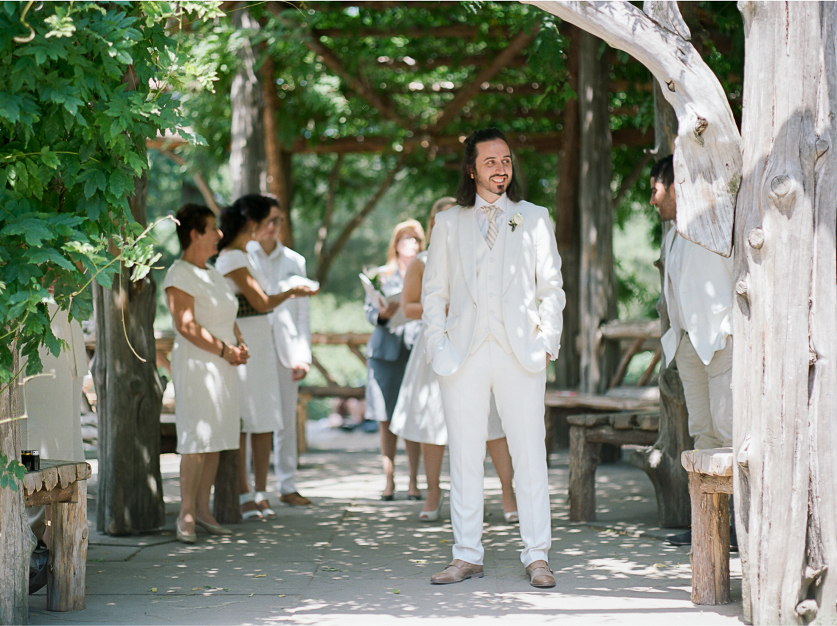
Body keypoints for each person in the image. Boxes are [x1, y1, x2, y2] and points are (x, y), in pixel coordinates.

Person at [422, 128, 565, 588]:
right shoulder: (448, 223)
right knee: (464, 455)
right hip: (461, 354)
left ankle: (537, 554)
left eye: (506, 160)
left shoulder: (534, 218)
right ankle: (466, 554)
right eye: (490, 162)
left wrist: (548, 343)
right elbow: (434, 294)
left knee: (529, 454)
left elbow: (552, 289)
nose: (501, 168)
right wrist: (436, 348)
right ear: (472, 169)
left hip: (521, 351)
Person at [390, 196, 519, 523]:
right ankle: (433, 493)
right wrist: (445, 308)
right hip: (434, 344)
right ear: (433, 222)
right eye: (440, 217)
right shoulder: (420, 261)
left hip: (475, 342)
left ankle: (508, 491)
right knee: (433, 421)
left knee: (491, 421)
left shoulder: (480, 252)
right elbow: (408, 308)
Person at [649, 155, 735, 548]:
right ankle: (710, 527)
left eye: (655, 189)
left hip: (722, 341)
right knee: (701, 434)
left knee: (730, 430)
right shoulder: (670, 237)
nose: (653, 200)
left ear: (674, 184)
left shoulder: (719, 223)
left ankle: (743, 524)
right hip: (687, 345)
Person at [215, 195, 318, 520]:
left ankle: (261, 492)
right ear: (252, 223)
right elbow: (259, 303)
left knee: (264, 419)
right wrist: (292, 291)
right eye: (266, 220)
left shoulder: (246, 255)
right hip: (248, 340)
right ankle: (245, 493)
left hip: (262, 342)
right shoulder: (233, 258)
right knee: (246, 420)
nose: (271, 227)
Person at [163, 204, 249, 543]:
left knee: (216, 438)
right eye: (212, 228)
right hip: (198, 363)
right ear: (195, 233)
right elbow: (186, 326)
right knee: (196, 439)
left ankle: (203, 508)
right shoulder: (178, 274)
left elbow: (229, 315)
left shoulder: (212, 272)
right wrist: (226, 350)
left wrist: (239, 344)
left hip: (224, 366)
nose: (219, 234)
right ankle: (184, 511)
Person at [246, 203, 315, 507]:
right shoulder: (243, 257)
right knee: (252, 418)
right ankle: (249, 488)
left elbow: (302, 313)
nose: (271, 225)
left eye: (277, 219)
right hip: (252, 348)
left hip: (288, 351)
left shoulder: (294, 260)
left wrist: (304, 355)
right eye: (266, 219)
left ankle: (287, 485)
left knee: (286, 420)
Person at [364, 219, 425, 501]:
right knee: (386, 418)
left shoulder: (427, 271)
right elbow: (368, 310)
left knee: (412, 417)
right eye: (404, 238)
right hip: (385, 354)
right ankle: (389, 481)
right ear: (395, 243)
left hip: (415, 352)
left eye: (414, 238)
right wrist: (382, 314)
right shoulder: (382, 275)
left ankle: (414, 481)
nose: (409, 243)